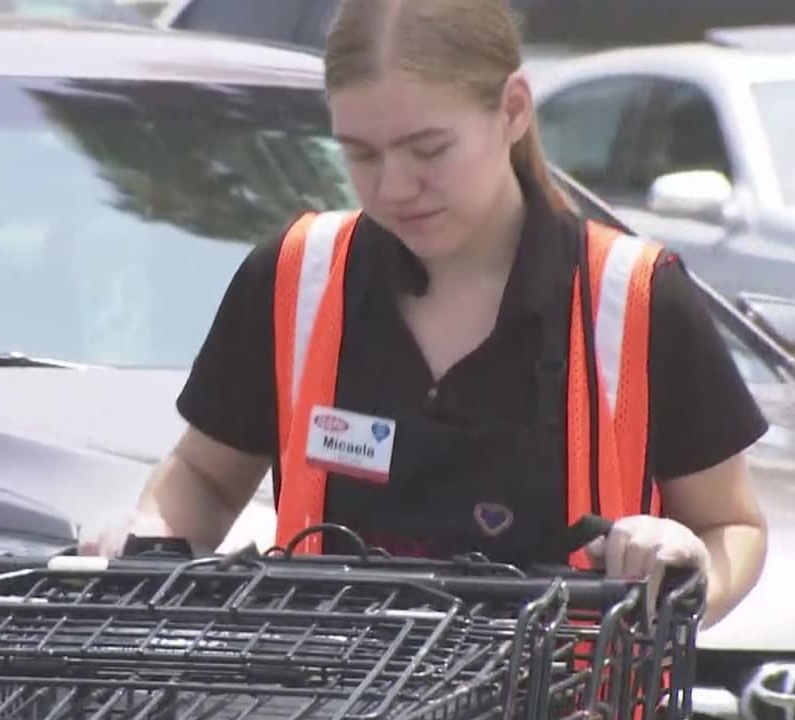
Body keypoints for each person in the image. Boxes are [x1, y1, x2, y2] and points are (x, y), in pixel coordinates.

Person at [79, 0, 767, 629]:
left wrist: (692, 568)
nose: (395, 186)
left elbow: (733, 527)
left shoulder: (638, 298)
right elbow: (202, 476)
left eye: (428, 150)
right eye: (361, 154)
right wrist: (147, 534)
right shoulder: (295, 278)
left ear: (513, 109)